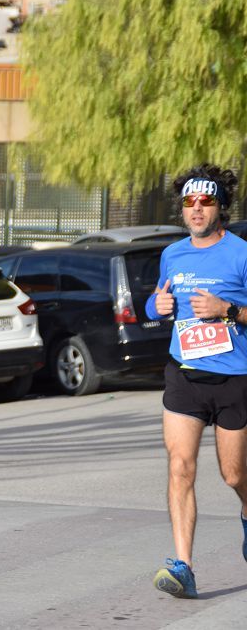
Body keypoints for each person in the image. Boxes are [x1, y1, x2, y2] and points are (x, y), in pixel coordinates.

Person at [148, 163, 247, 598]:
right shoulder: (172, 254)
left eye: (206, 201)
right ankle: (183, 565)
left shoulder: (242, 254)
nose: (197, 208)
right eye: (190, 202)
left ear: (220, 207)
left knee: (233, 475)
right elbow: (156, 304)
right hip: (184, 374)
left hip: (234, 378)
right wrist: (157, 305)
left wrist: (227, 310)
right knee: (180, 467)